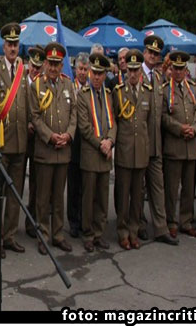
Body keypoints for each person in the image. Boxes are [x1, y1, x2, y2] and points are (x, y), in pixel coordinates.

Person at [0, 22, 30, 259]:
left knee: (16, 193)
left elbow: (27, 104)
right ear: (3, 45)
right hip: (1, 142)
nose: (13, 48)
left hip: (20, 142)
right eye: (9, 44)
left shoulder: (23, 71)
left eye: (16, 44)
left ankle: (10, 236)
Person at [29, 42, 76, 255]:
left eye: (58, 64)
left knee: (59, 197)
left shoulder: (68, 85)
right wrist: (50, 136)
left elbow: (73, 113)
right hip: (45, 151)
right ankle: (43, 235)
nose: (55, 68)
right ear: (45, 63)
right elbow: (35, 117)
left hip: (63, 150)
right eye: (51, 63)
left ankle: (57, 234)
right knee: (43, 198)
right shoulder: (36, 86)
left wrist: (68, 135)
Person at [138, 35, 179, 245]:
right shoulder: (136, 75)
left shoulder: (158, 79)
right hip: (139, 142)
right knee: (138, 189)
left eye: (157, 54)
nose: (153, 57)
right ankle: (140, 225)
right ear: (144, 53)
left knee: (157, 186)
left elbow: (160, 113)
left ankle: (161, 228)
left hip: (156, 142)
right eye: (150, 53)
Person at [112, 50, 153, 250]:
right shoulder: (118, 91)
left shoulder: (148, 91)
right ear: (126, 69)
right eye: (131, 70)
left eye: (137, 70)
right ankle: (122, 232)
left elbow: (149, 123)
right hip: (124, 151)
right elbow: (114, 121)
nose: (134, 74)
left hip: (141, 152)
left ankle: (134, 231)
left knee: (137, 197)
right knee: (123, 195)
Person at [77, 53, 117, 252]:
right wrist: (101, 144)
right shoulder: (83, 95)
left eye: (101, 74)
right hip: (91, 154)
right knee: (89, 197)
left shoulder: (108, 94)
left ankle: (99, 232)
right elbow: (84, 127)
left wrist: (110, 141)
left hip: (105, 154)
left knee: (102, 196)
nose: (96, 77)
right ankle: (88, 233)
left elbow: (113, 123)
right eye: (94, 73)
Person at [161, 50, 196, 239]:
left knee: (188, 187)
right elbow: (163, 117)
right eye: (175, 68)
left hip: (190, 147)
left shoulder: (192, 88)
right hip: (174, 147)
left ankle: (186, 221)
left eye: (181, 69)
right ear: (171, 69)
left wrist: (194, 128)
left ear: (186, 69)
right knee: (171, 188)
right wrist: (180, 128)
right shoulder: (165, 90)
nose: (178, 72)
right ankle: (171, 221)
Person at [67, 52, 90, 239]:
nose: (83, 73)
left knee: (86, 187)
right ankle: (73, 221)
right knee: (73, 186)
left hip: (88, 144)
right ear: (75, 69)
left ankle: (85, 220)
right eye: (80, 69)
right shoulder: (70, 87)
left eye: (85, 69)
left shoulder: (92, 89)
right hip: (74, 144)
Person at [24, 45, 45, 239]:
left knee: (37, 185)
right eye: (33, 66)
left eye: (39, 67)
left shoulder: (43, 85)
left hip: (39, 140)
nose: (35, 70)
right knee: (18, 182)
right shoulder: (21, 82)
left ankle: (33, 222)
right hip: (22, 139)